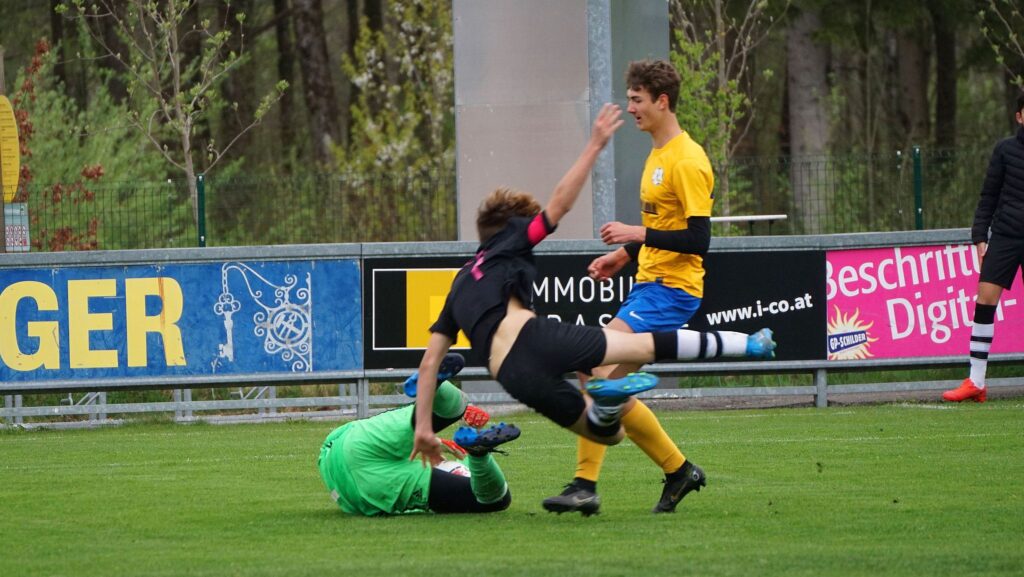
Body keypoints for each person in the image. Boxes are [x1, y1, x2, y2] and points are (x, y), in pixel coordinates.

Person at [409, 103, 776, 482]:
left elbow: (428, 365)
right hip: (539, 336)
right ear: (511, 227)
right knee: (645, 346)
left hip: (514, 374)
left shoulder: (458, 284)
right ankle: (746, 345)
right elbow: (560, 205)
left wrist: (424, 428)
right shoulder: (511, 240)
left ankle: (601, 434)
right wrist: (595, 144)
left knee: (609, 432)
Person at [542, 59, 716, 516]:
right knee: (600, 380)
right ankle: (678, 470)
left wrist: (636, 235)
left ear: (662, 101)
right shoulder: (656, 156)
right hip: (649, 285)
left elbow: (699, 241)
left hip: (672, 293)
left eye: (637, 100)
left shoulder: (688, 159)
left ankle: (585, 484)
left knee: (593, 369)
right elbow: (664, 229)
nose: (631, 108)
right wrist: (624, 257)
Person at [318, 371, 520, 516]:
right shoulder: (458, 472)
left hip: (350, 448)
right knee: (494, 499)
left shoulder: (452, 469)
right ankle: (478, 453)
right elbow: (486, 492)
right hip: (352, 471)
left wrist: (439, 441)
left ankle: (433, 384)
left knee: (455, 406)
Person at [943, 91, 1024, 403]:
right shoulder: (1004, 149)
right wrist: (980, 237)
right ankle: (976, 382)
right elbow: (988, 196)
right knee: (985, 301)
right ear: (1019, 116)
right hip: (1004, 236)